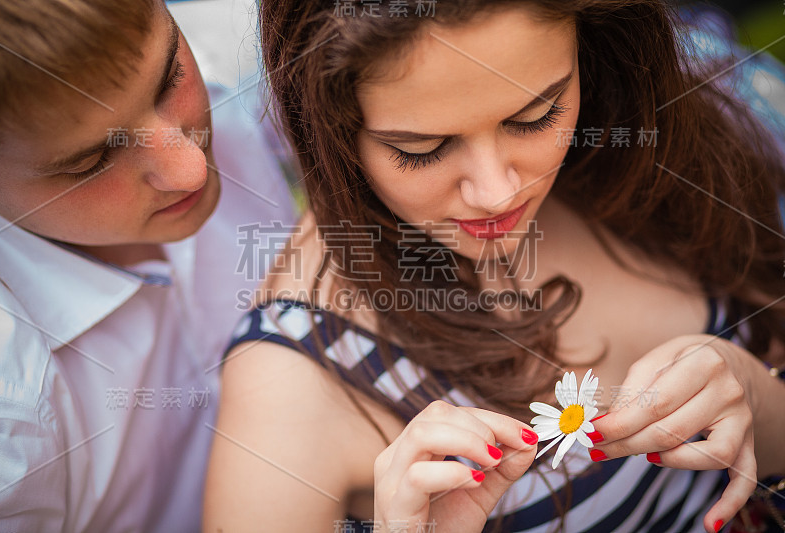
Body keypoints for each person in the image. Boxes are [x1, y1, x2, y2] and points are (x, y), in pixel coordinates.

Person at [203, 0, 785, 531]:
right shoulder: (288, 393)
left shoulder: (651, 133)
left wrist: (761, 404)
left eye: (536, 115)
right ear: (329, 130)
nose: (497, 193)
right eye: (421, 150)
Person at [0, 0, 295, 531]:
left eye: (171, 78)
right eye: (90, 162)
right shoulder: (5, 419)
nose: (191, 168)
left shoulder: (240, 62)